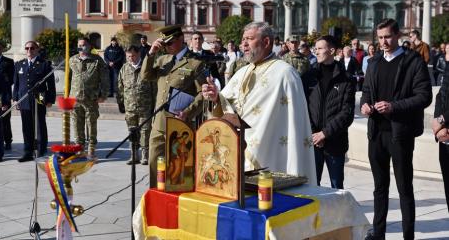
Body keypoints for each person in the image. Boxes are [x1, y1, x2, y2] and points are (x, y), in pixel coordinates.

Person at [201, 22, 316, 182]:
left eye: (249, 39)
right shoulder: (242, 71)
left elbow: (293, 122)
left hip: (269, 150)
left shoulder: (285, 74)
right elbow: (228, 103)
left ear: (266, 42)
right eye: (242, 40)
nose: (244, 44)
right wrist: (215, 98)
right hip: (236, 148)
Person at [361, 18, 432, 240]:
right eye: (380, 37)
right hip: (376, 133)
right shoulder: (373, 62)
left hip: (399, 133)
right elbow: (366, 90)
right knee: (379, 188)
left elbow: (424, 96)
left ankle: (408, 236)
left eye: (388, 37)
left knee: (404, 188)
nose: (383, 42)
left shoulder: (413, 61)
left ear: (398, 35)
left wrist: (393, 106)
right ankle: (379, 233)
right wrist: (365, 103)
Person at [141, 25, 206, 187]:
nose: (167, 47)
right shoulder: (163, 60)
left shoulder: (195, 63)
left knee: (178, 171)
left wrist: (188, 112)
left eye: (169, 43)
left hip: (180, 125)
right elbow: (146, 75)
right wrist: (151, 53)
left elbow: (203, 93)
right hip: (159, 123)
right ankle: (156, 195)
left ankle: (178, 201)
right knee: (155, 164)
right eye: (164, 44)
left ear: (180, 40)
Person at [308, 35, 355, 189]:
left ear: (332, 50)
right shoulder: (309, 76)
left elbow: (346, 113)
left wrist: (325, 133)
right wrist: (315, 134)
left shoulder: (346, 79)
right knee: (312, 186)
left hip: (335, 142)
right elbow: (303, 108)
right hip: (312, 142)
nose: (317, 52)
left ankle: (337, 214)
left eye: (320, 48)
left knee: (337, 186)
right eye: (316, 49)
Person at [13, 41, 56, 162]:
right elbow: (16, 84)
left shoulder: (44, 64)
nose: (29, 50)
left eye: (32, 48)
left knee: (39, 124)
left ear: (37, 50)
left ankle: (41, 149)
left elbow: (51, 84)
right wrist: (15, 98)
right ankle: (28, 150)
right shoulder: (19, 64)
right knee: (26, 125)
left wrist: (50, 100)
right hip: (24, 98)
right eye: (27, 48)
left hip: (40, 97)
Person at [69, 37, 109, 157]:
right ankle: (79, 147)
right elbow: (68, 78)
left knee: (91, 123)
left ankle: (91, 147)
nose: (81, 47)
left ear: (89, 46)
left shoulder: (97, 61)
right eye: (79, 45)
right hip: (75, 99)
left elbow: (105, 79)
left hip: (91, 98)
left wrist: (104, 95)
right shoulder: (72, 60)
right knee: (76, 123)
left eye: (84, 45)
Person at [117, 45, 156, 165]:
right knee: (132, 132)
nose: (131, 58)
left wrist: (154, 105)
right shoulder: (124, 68)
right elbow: (120, 87)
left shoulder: (146, 67)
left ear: (139, 54)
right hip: (130, 107)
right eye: (128, 56)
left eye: (133, 56)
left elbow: (154, 88)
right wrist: (120, 102)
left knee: (145, 131)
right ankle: (134, 155)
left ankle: (145, 155)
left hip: (145, 107)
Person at [432, 57, 449, 214]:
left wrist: (442, 120)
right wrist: (438, 125)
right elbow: (440, 96)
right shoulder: (446, 71)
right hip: (445, 139)